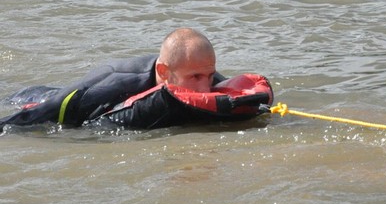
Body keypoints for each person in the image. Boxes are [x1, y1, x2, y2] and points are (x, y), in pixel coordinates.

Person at [1, 28, 225, 128]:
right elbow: (44, 112)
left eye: (209, 76)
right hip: (38, 99)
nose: (206, 88)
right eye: (196, 77)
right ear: (164, 72)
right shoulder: (116, 81)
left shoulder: (204, 74)